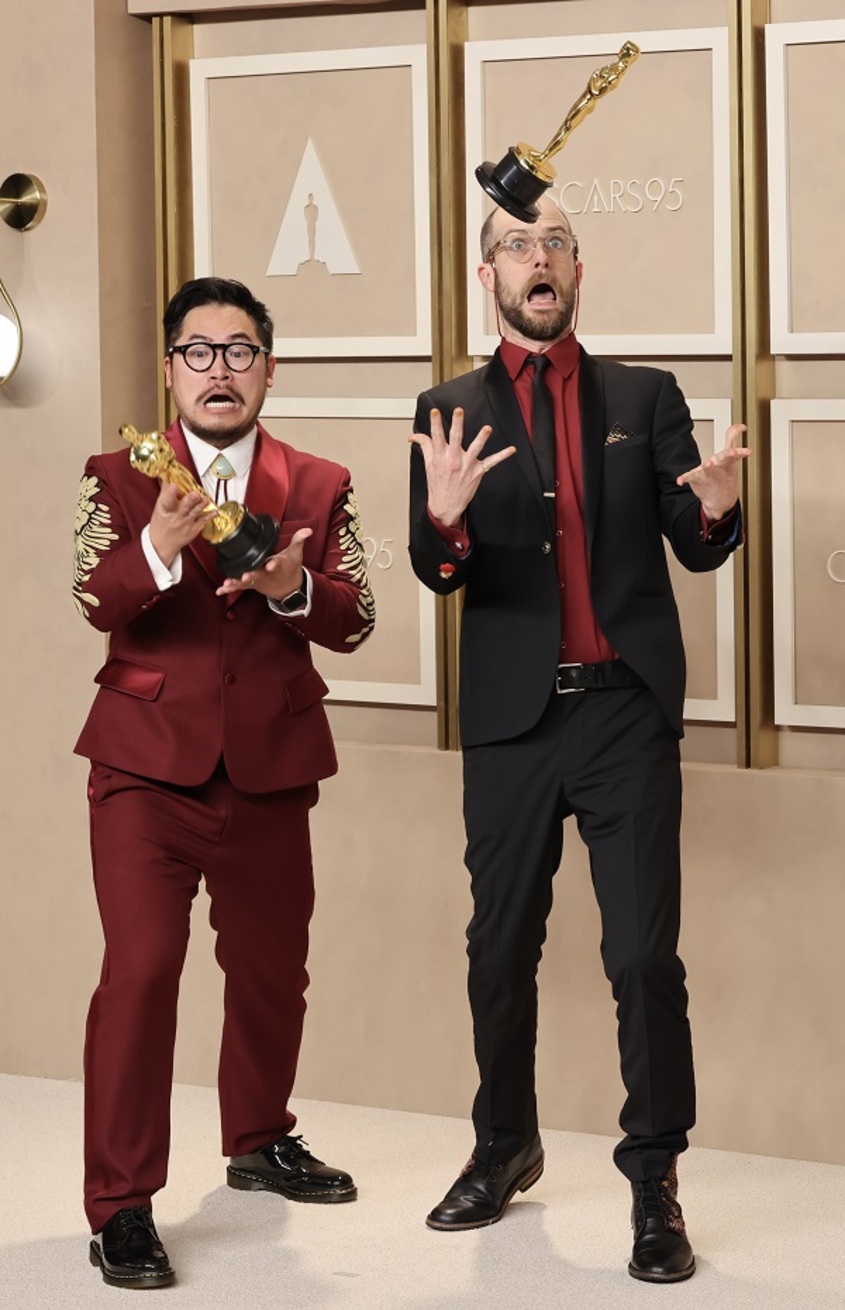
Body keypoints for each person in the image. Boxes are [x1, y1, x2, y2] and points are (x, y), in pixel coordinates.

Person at [409, 199, 749, 1283]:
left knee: (641, 952)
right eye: (517, 246)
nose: (537, 259)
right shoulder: (447, 407)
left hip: (621, 711)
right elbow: (436, 567)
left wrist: (716, 509)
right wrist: (447, 521)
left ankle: (653, 1177)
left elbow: (695, 543)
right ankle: (504, 1143)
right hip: (510, 720)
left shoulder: (643, 396)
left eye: (553, 244)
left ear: (577, 270)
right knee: (497, 943)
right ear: (487, 276)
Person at [73, 276, 375, 1289]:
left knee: (268, 970)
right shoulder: (115, 475)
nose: (218, 369)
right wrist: (157, 545)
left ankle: (257, 1137)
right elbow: (90, 594)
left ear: (268, 368)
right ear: (169, 368)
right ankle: (119, 1203)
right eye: (197, 351)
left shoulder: (320, 480)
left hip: (269, 767)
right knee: (143, 967)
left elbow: (355, 614)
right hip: (143, 768)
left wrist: (295, 588)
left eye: (238, 350)